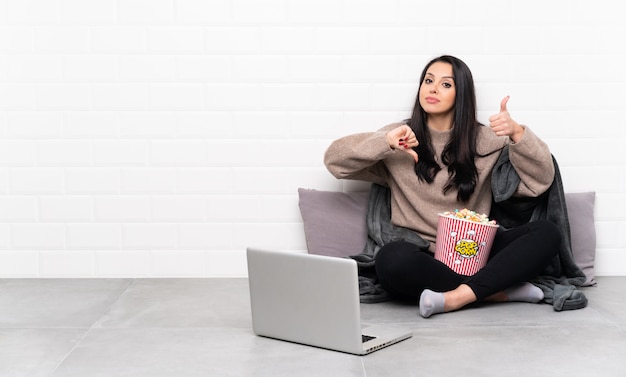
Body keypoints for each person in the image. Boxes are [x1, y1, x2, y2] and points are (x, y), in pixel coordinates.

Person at [324, 55, 561, 318]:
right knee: (390, 260)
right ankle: (497, 291)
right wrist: (384, 143)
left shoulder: (487, 140)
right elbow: (334, 162)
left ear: (462, 95)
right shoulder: (399, 137)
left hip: (476, 251)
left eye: (446, 84)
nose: (433, 89)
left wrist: (518, 133)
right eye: (428, 81)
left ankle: (457, 297)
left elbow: (539, 182)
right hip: (422, 255)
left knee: (547, 233)